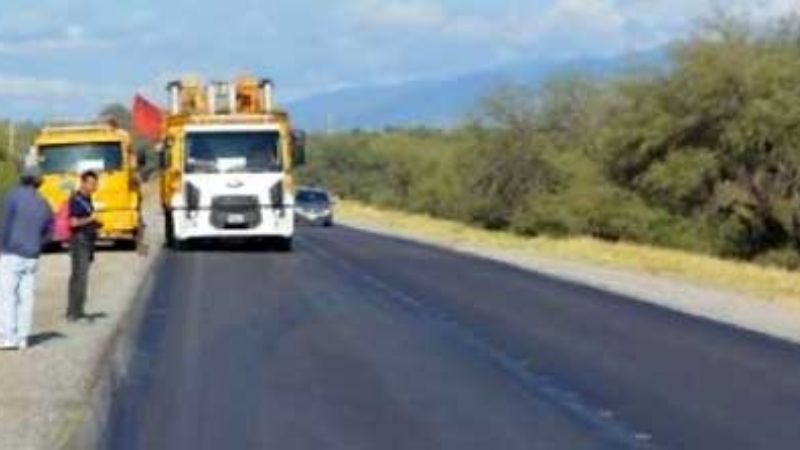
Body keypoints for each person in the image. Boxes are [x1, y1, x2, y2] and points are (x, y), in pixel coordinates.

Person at [0, 167, 53, 350]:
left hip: (11, 252)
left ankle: (8, 336)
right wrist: (38, 244)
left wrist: (2, 246)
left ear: (22, 179)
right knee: (26, 297)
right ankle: (23, 338)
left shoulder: (12, 197)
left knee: (7, 296)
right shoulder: (44, 203)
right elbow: (50, 232)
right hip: (32, 255)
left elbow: (4, 224)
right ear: (39, 182)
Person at [66, 170, 100, 323]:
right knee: (79, 277)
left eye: (95, 183)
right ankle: (75, 312)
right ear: (83, 183)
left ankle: (76, 310)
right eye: (91, 183)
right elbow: (73, 223)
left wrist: (95, 223)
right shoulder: (76, 200)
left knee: (80, 277)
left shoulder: (87, 198)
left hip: (87, 240)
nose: (94, 186)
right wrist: (90, 219)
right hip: (79, 241)